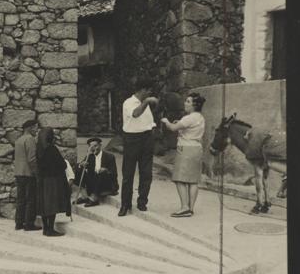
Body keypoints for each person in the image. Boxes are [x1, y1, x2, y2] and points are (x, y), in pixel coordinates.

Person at [161, 92, 206, 217]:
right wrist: (178, 124)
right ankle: (190, 208)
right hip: (196, 148)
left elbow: (173, 128)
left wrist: (166, 121)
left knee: (179, 179)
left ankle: (184, 207)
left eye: (188, 101)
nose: (185, 104)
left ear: (194, 105)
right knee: (193, 180)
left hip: (185, 149)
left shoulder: (189, 118)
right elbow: (186, 127)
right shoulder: (200, 117)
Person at [119, 79, 159, 217]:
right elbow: (136, 114)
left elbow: (149, 122)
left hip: (147, 139)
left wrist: (152, 132)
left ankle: (142, 202)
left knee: (146, 173)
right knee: (128, 174)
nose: (150, 94)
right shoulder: (128, 103)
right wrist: (147, 102)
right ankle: (125, 204)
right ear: (142, 90)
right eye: (148, 91)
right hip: (131, 140)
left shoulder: (145, 104)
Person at [35, 128, 69, 236]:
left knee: (45, 205)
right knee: (52, 204)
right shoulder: (51, 149)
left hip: (42, 180)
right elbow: (62, 165)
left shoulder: (39, 149)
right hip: (53, 180)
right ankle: (50, 229)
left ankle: (46, 228)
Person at [14, 120, 42, 231]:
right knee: (31, 199)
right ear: (30, 128)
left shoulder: (19, 139)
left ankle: (19, 223)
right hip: (28, 173)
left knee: (20, 199)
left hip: (18, 173)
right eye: (36, 128)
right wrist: (36, 173)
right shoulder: (30, 139)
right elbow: (31, 159)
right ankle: (29, 224)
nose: (37, 130)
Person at [74, 137, 119, 207]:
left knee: (101, 172)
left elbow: (114, 174)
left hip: (106, 184)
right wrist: (81, 165)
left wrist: (106, 170)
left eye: (95, 146)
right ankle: (84, 196)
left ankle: (94, 198)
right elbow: (81, 167)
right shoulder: (90, 156)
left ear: (100, 146)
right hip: (94, 183)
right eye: (91, 146)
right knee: (78, 168)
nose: (94, 148)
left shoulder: (109, 156)